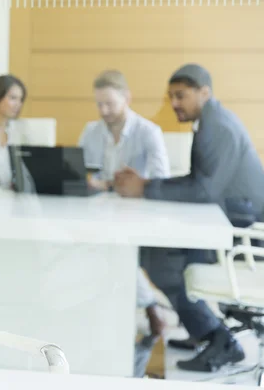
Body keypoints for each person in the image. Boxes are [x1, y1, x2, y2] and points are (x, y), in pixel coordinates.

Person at [115, 63, 264, 371]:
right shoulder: (210, 121)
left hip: (244, 232)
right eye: (171, 96)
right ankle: (203, 331)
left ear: (204, 92)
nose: (174, 104)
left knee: (159, 259)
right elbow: (199, 181)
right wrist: (146, 185)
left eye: (180, 96)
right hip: (231, 222)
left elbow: (203, 190)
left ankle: (218, 339)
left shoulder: (217, 127)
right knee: (155, 254)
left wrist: (145, 187)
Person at [78, 70, 167, 337]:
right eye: (99, 104)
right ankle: (144, 304)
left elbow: (161, 179)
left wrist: (135, 183)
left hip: (136, 210)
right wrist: (92, 182)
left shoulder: (149, 132)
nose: (104, 110)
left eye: (110, 103)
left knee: (117, 243)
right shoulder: (91, 131)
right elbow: (78, 170)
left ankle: (149, 305)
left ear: (127, 98)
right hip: (98, 209)